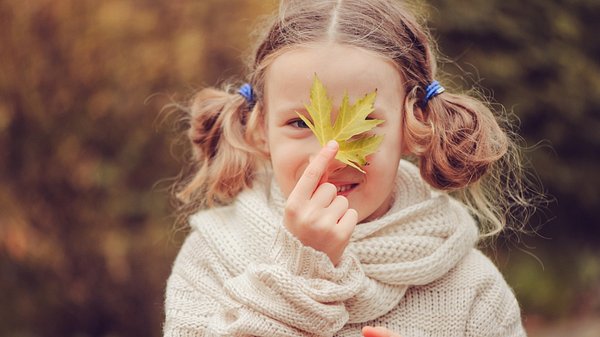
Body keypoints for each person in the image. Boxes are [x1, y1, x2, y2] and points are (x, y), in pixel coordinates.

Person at [163, 0, 535, 336]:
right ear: (259, 129)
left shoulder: (473, 288)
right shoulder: (211, 256)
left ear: (413, 127)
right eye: (300, 124)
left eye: (364, 124)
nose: (332, 154)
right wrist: (302, 269)